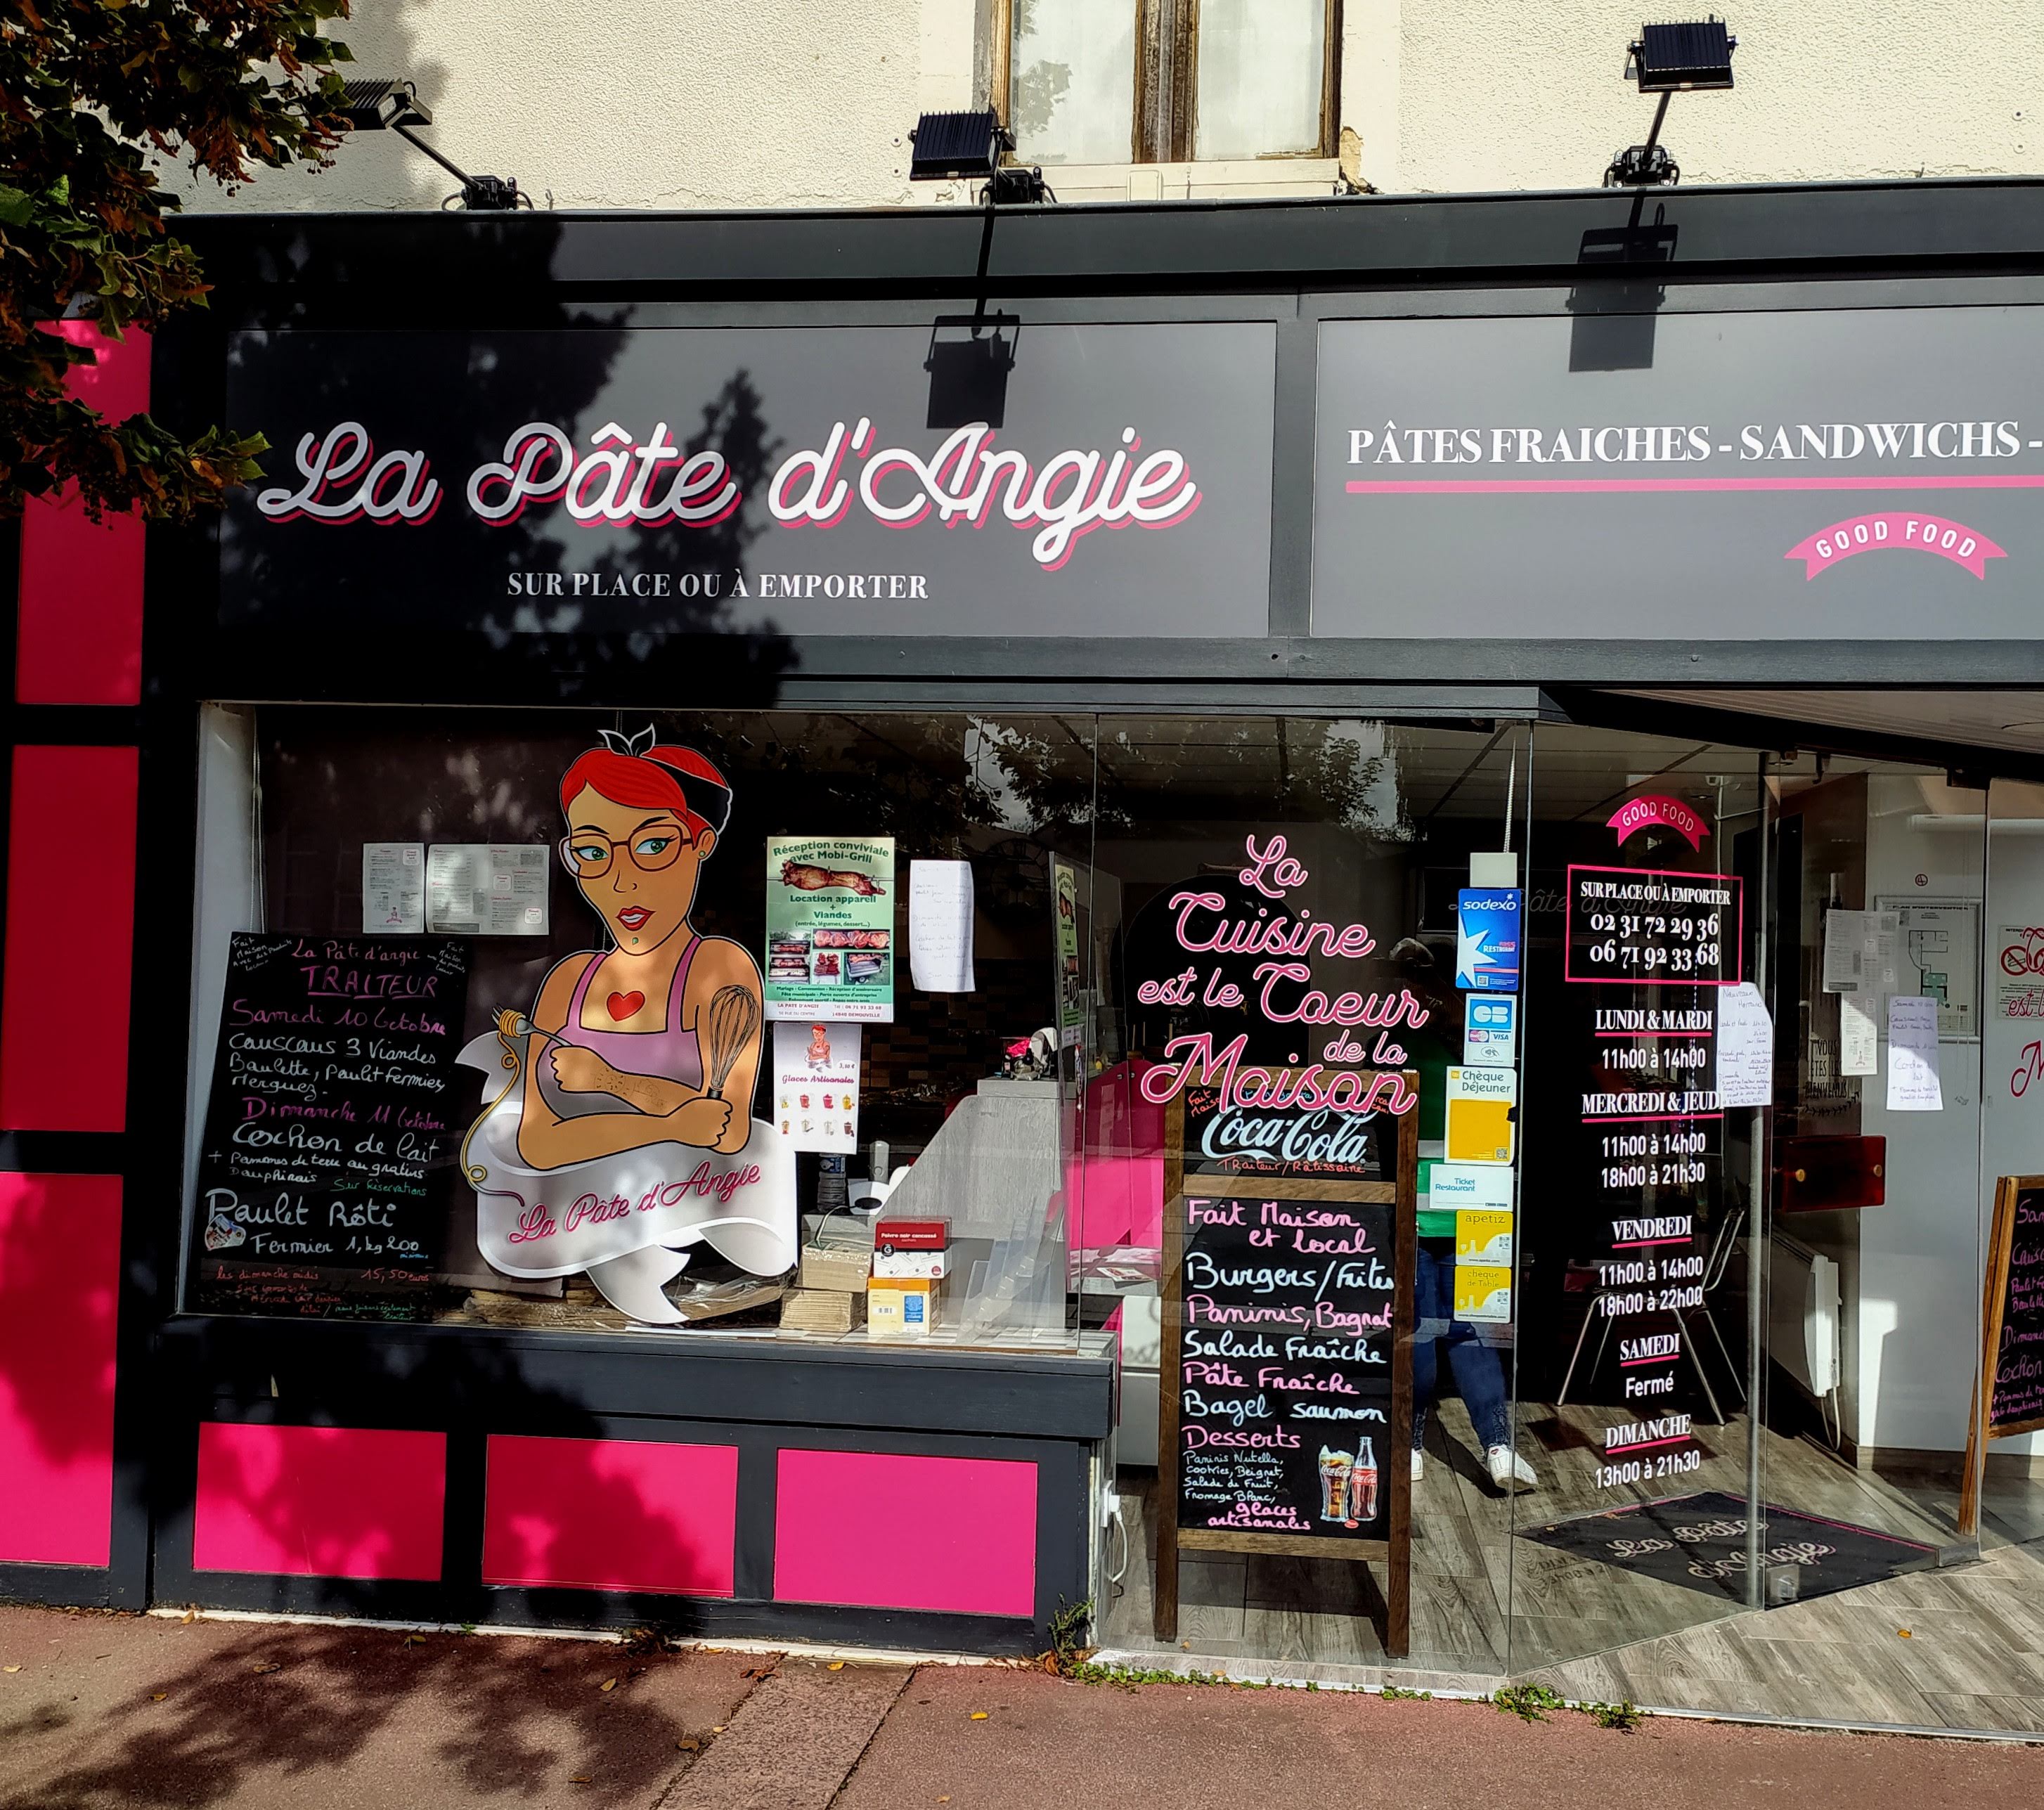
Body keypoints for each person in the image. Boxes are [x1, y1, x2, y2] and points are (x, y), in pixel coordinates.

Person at [516, 728, 763, 1168]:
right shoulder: (569, 981)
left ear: (702, 844)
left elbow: (725, 1130)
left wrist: (610, 1081)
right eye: (593, 853)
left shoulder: (719, 968)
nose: (621, 880)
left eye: (653, 845)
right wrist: (671, 1123)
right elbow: (536, 1143)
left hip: (681, 1206)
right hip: (572, 1210)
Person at [1388, 936, 1537, 1494]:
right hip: (1479, 1205)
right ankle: (1498, 1446)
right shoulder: (1488, 1045)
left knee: (1421, 1330)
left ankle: (1413, 1445)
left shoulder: (1399, 1042)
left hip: (1423, 1209)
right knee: (1472, 1331)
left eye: (1413, 982)